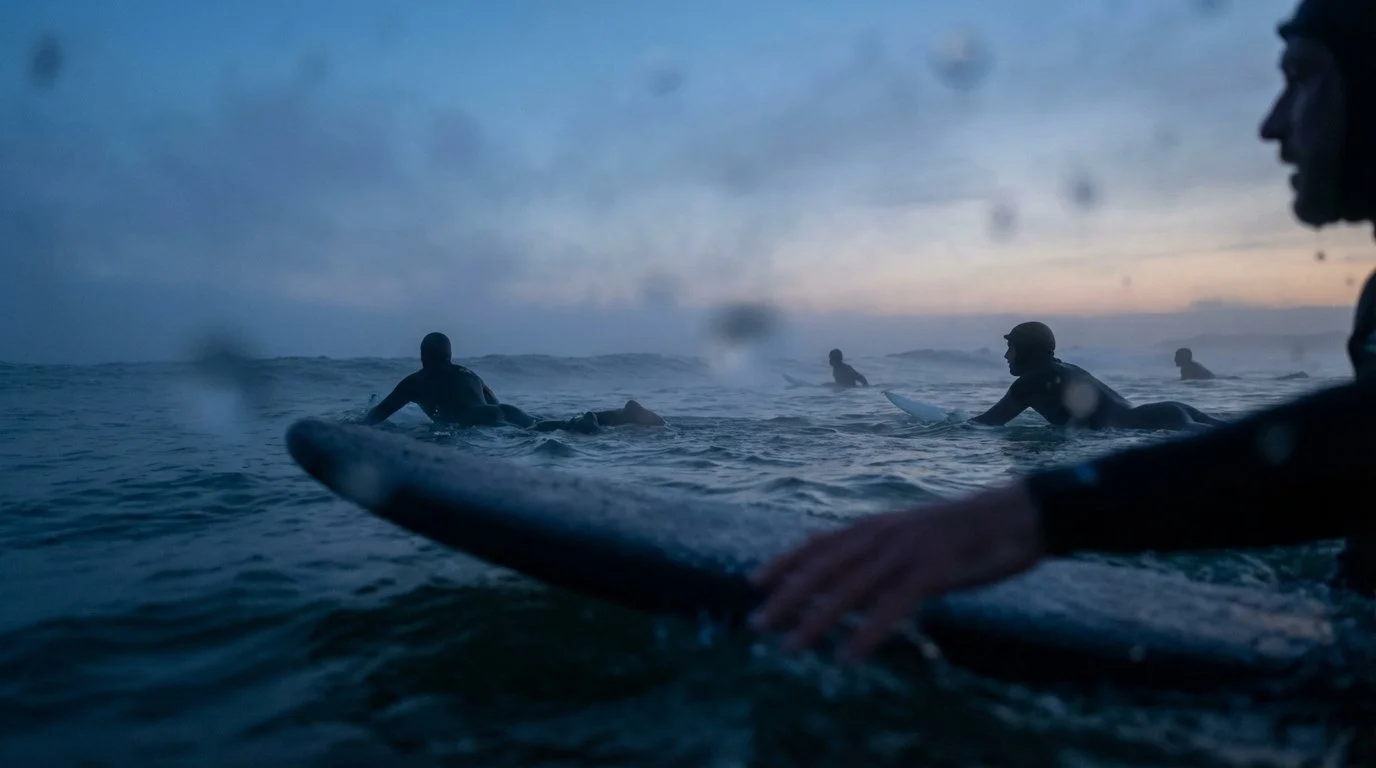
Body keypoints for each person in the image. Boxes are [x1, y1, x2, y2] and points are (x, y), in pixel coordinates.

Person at [749, 0, 1376, 664]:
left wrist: (1020, 512)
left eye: (1304, 76)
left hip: (1149, 434)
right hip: (1180, 431)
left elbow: (1358, 439)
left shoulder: (1036, 382)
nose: (1272, 124)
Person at [361, 332, 666, 433]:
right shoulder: (470, 374)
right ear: (450, 355)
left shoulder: (416, 380)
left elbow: (378, 414)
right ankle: (624, 415)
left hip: (474, 421)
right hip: (502, 410)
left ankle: (588, 424)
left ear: (423, 356)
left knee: (555, 431)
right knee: (547, 426)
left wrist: (348, 427)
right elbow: (495, 407)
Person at [970, 322, 1223, 430]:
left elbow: (984, 424)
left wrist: (934, 428)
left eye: (1011, 348)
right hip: (1167, 412)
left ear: (1027, 350)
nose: (1006, 356)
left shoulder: (1030, 384)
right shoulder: (1065, 369)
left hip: (1157, 425)